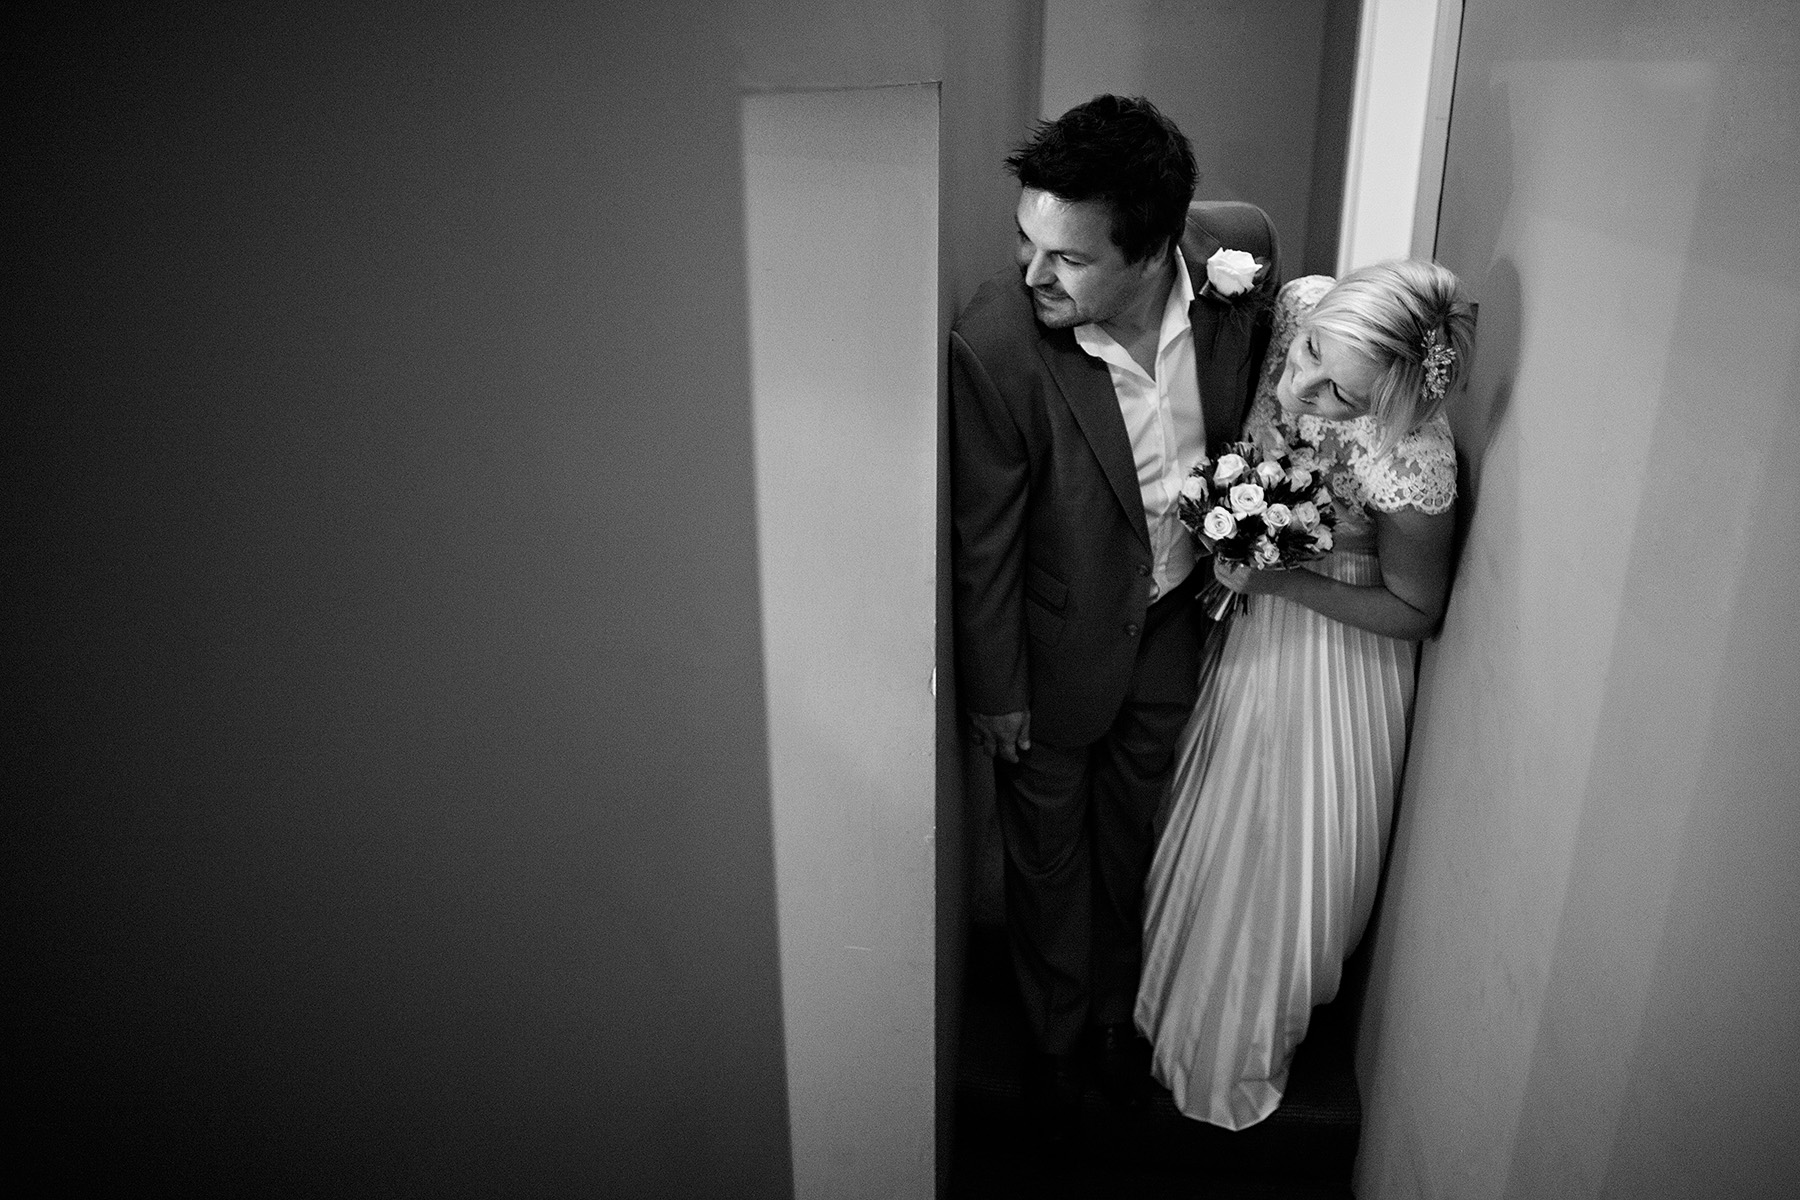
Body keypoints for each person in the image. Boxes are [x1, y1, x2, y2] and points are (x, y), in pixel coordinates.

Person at [950, 94, 1279, 1115]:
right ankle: (1054, 1041)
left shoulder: (1241, 264)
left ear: (1152, 252)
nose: (1032, 272)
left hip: (1176, 626)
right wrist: (996, 688)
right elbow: (985, 538)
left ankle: (1116, 1015)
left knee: (1143, 832)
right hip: (1051, 651)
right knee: (1047, 854)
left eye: (1068, 258)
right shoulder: (996, 342)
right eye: (1025, 241)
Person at [1134, 260, 1475, 1129]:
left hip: (1339, 654)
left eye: (1340, 394)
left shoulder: (1415, 464)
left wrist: (1282, 585)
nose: (1300, 387)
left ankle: (1234, 1033)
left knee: (1285, 838)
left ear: (1394, 403)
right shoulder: (1297, 306)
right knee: (1219, 806)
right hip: (1262, 618)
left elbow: (1415, 610)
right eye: (1311, 355)